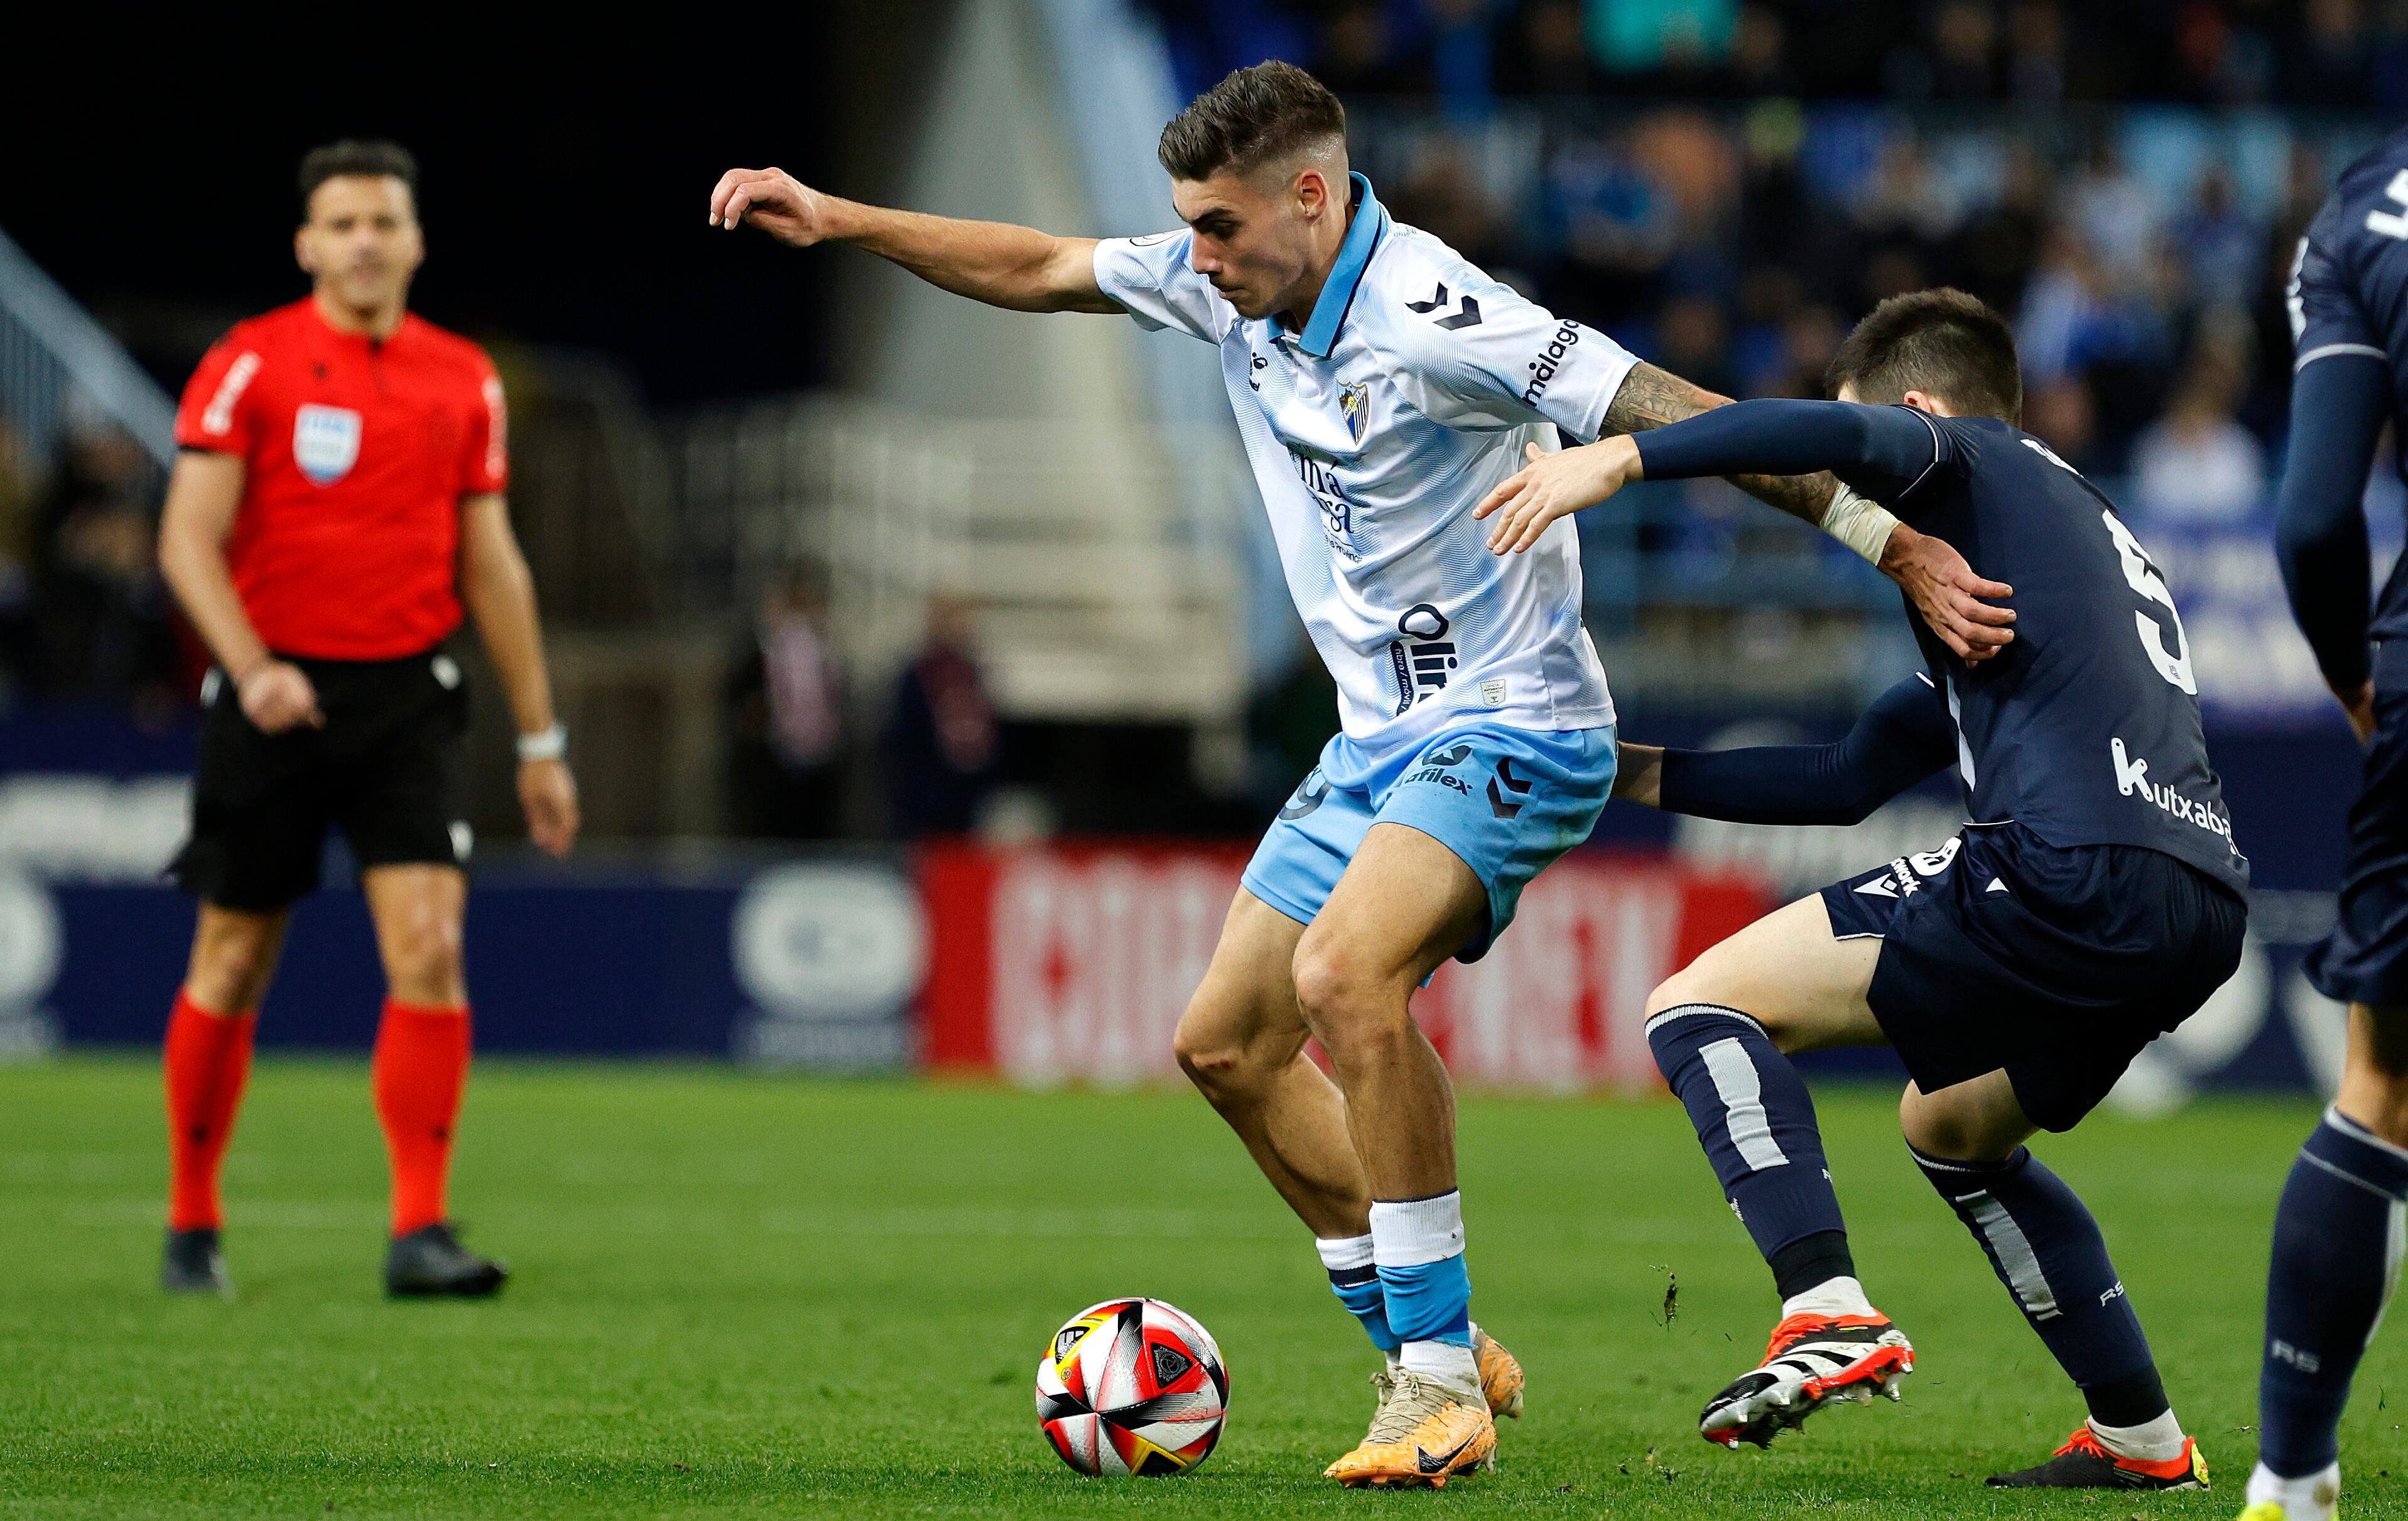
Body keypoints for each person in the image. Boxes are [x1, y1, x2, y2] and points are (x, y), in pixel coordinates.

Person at [709, 63, 2008, 1486]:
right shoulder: (1233, 281)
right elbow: (1036, 263)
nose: (1197, 258)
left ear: (1313, 198)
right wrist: (837, 217)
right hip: (1375, 742)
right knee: (1225, 1042)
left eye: (1219, 227)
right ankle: (1425, 1335)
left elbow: (1678, 406)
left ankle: (1438, 1384)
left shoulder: (1441, 315)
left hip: (1516, 723)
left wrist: (1893, 541)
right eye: (1189, 230)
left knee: (1344, 978)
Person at [1478, 288, 2245, 1490]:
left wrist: (1617, 457)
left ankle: (1824, 1306)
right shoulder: (2065, 532)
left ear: (1917, 408)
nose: (1860, 508)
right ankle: (2141, 1438)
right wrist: (1617, 772)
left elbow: (1827, 442)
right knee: (1952, 1130)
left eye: (1875, 443)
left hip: (2066, 865)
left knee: (1696, 1006)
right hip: (2197, 903)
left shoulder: (1963, 455)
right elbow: (1847, 778)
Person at [155, 140, 578, 1300]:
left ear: (416, 240)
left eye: (383, 221)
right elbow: (187, 538)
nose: (363, 241)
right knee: (234, 958)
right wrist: (249, 669)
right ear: (306, 243)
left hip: (405, 696)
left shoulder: (463, 379)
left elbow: (492, 565)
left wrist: (541, 742)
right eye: (340, 223)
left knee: (432, 945)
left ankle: (419, 1233)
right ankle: (193, 1224)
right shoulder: (250, 363)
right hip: (271, 695)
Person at [2246, 123, 2408, 1521]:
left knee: (2384, 1082)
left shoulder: (2364, 215)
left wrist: (2359, 671)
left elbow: (2311, 521)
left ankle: (2290, 1476)